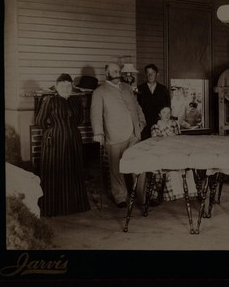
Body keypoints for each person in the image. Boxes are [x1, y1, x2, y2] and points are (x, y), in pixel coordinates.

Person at [90, 63, 146, 208]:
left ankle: (143, 197)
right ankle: (120, 197)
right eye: (114, 71)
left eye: (118, 71)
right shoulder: (99, 91)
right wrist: (98, 132)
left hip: (134, 133)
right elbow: (95, 113)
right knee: (116, 168)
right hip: (114, 134)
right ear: (106, 73)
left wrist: (141, 122)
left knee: (139, 165)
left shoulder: (127, 88)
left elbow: (137, 106)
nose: (117, 73)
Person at [36, 73, 90, 216]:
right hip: (54, 141)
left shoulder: (76, 101)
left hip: (73, 140)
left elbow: (80, 120)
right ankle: (53, 208)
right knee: (55, 172)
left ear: (72, 86)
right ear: (57, 86)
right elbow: (40, 122)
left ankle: (74, 206)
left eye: (68, 85)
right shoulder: (49, 100)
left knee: (73, 171)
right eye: (62, 86)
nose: (66, 88)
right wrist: (54, 130)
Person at [150, 106, 198, 201]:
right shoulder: (155, 126)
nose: (167, 115)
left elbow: (178, 140)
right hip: (162, 153)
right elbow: (157, 143)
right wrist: (171, 137)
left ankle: (186, 192)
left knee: (187, 165)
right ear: (159, 114)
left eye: (169, 113)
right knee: (167, 168)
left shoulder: (175, 124)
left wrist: (174, 140)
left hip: (175, 150)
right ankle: (168, 194)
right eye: (164, 113)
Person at [137, 64, 171, 140]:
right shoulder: (140, 89)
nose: (150, 75)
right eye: (148, 73)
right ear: (145, 74)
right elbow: (137, 108)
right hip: (145, 125)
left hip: (160, 126)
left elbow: (167, 107)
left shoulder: (163, 89)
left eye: (152, 73)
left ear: (157, 74)